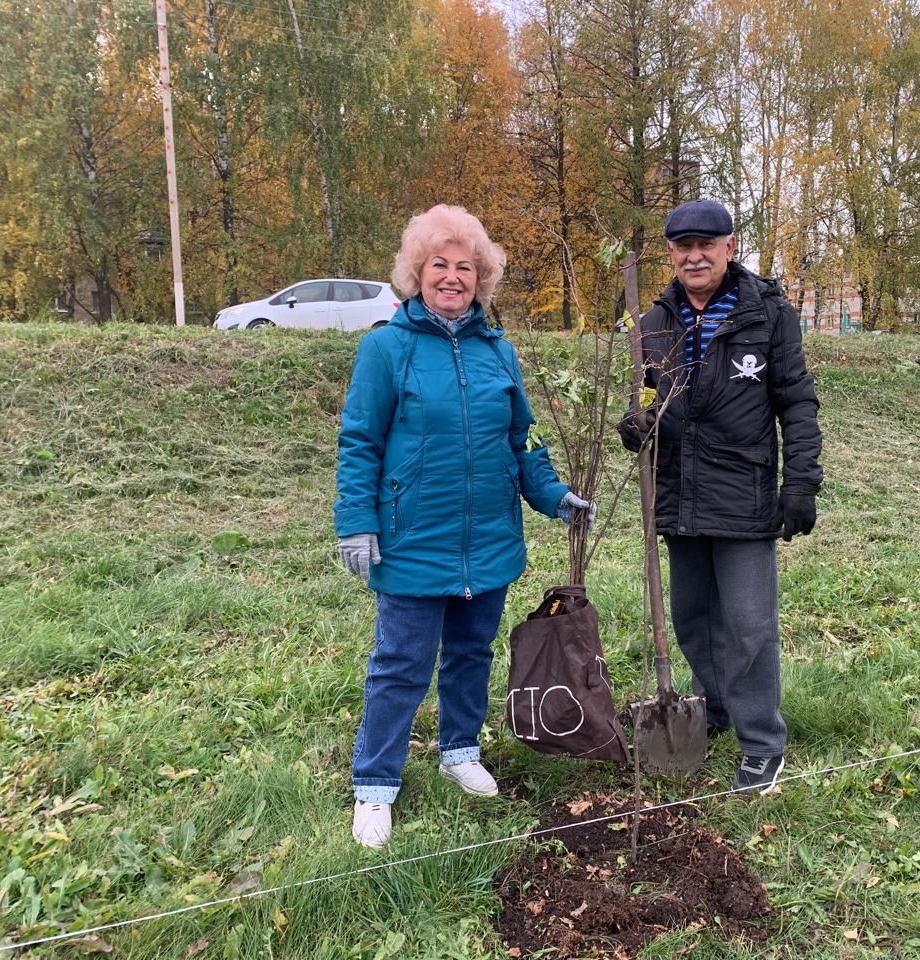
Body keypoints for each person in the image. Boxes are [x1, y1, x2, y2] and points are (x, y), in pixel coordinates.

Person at [335, 205, 593, 848]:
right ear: (416, 273)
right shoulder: (386, 348)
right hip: (412, 538)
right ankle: (375, 784)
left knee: (472, 653)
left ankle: (460, 751)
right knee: (401, 663)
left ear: (481, 280)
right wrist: (356, 522)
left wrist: (554, 494)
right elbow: (359, 441)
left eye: (466, 268)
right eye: (439, 266)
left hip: (488, 537)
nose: (453, 278)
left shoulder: (497, 353)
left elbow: (523, 437)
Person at [619, 198, 822, 796]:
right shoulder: (655, 323)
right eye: (683, 246)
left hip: (745, 494)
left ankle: (762, 743)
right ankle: (716, 708)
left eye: (707, 244)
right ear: (671, 254)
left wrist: (801, 483)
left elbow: (797, 402)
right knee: (693, 619)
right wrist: (637, 425)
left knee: (749, 625)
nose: (695, 255)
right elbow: (647, 405)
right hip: (681, 495)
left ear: (729, 247)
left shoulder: (768, 314)